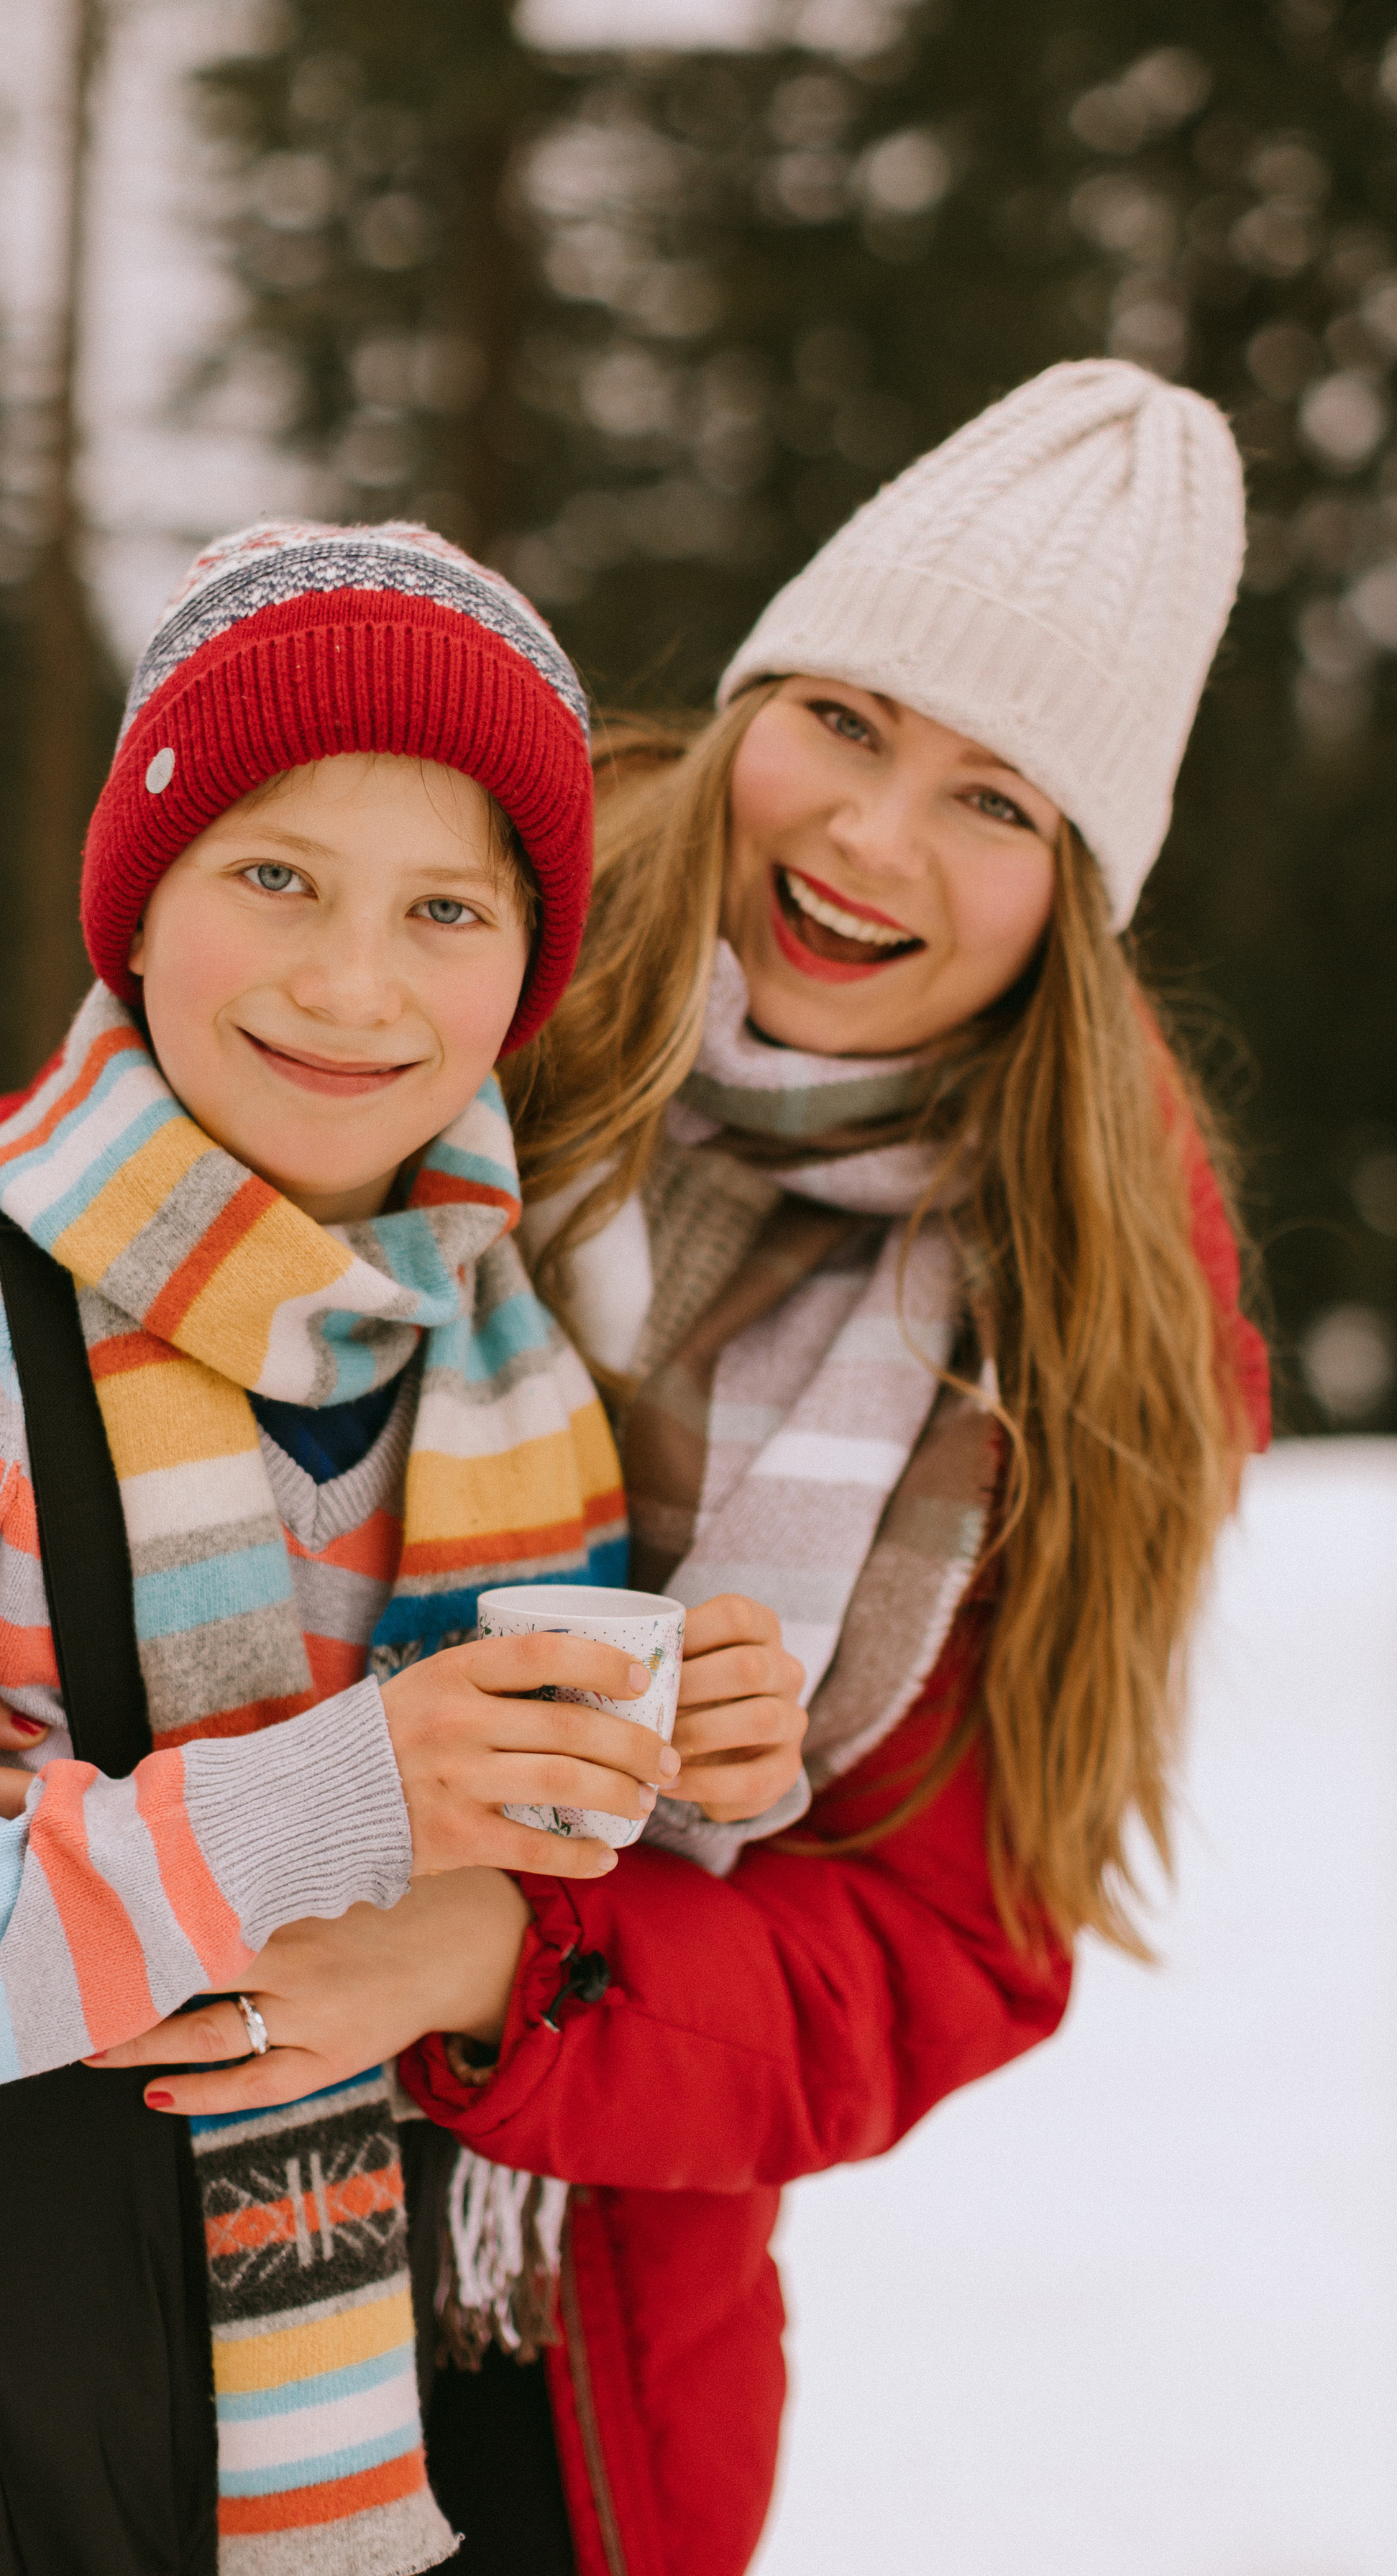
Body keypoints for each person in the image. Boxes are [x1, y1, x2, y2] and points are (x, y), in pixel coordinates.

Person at [93, 363, 1272, 2576]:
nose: (869, 840)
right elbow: (39, 1242)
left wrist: (492, 1964)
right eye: (844, 721)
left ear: (1081, 890)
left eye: (997, 802)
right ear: (753, 704)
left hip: (560, 2316)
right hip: (92, 2080)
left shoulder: (1089, 1303)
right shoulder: (451, 940)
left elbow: (950, 1949)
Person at [0, 518, 807, 2576]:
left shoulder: (520, 1357)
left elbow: (550, 1952)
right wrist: (352, 1792)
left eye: (447, 906)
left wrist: (700, 1764)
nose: (357, 986)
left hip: (425, 2471)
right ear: (137, 907)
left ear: (527, 964)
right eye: (278, 877)